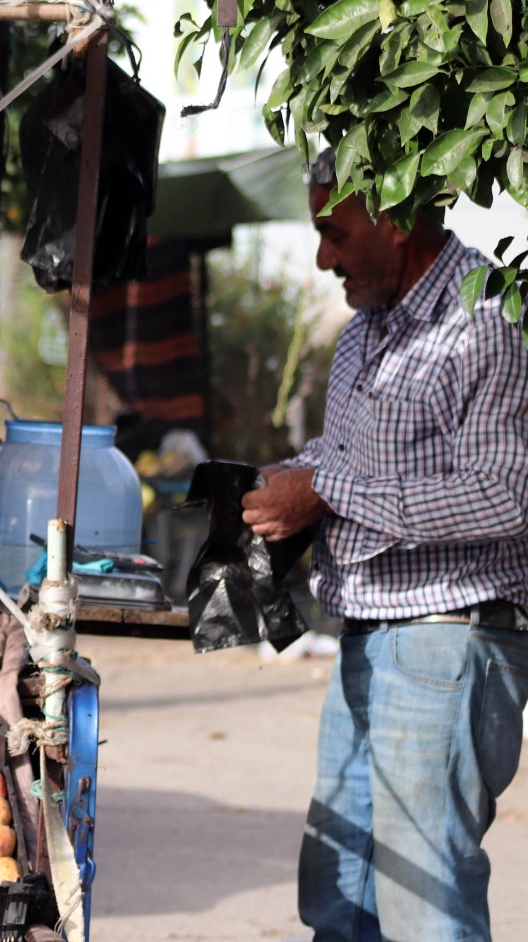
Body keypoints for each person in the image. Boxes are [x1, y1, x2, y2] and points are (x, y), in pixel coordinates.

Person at [241, 148, 528, 941]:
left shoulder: (488, 318)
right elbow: (348, 465)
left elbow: (507, 492)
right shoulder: (365, 334)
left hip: (446, 640)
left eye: (334, 233)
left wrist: (325, 493)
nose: (322, 257)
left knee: (424, 905)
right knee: (340, 892)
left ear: (397, 219)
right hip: (368, 638)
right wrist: (277, 484)